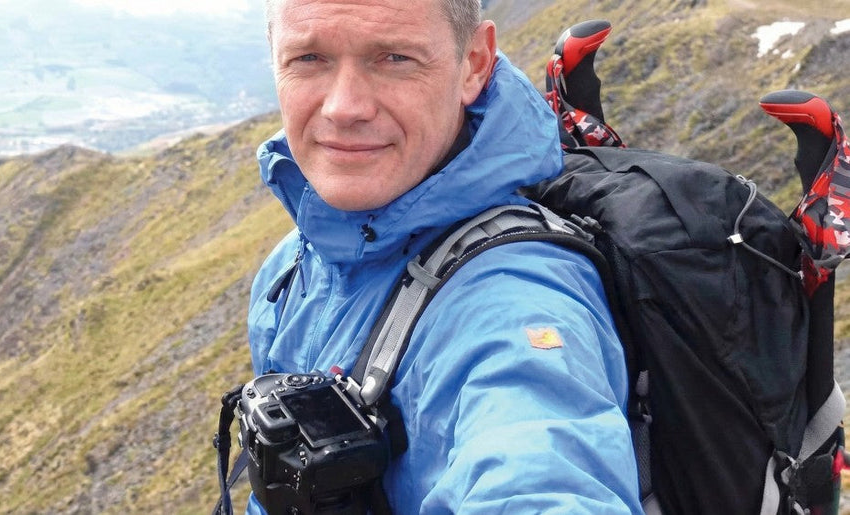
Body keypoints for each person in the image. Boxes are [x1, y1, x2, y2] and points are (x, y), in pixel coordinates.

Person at [246, 0, 643, 513]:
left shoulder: (514, 302)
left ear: (475, 63)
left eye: (394, 58)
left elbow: (539, 472)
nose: (344, 107)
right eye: (308, 58)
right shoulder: (295, 261)